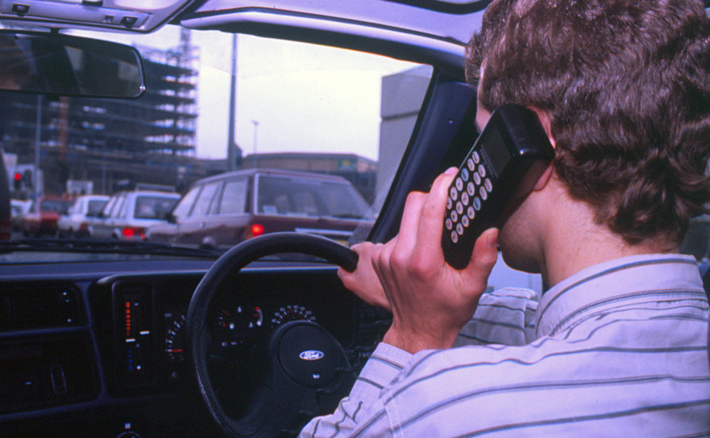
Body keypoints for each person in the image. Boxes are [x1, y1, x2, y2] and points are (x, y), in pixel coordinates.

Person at [301, 0, 710, 436]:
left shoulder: (448, 407)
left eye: (480, 138)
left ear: (536, 142)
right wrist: (414, 296)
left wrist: (414, 335)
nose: (467, 165)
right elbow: (545, 322)